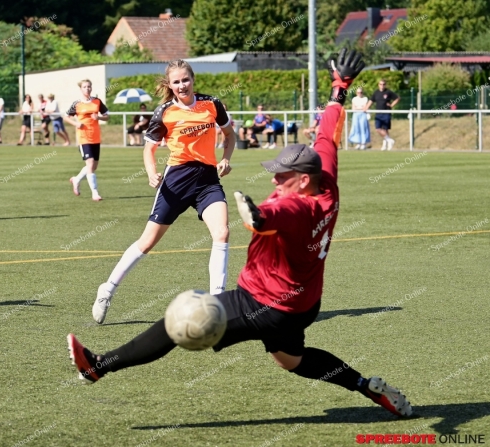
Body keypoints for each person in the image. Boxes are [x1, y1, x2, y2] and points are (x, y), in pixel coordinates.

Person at [68, 49, 413, 420]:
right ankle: (368, 387)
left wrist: (257, 218)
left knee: (178, 323)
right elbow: (328, 132)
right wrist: (339, 88)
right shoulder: (326, 183)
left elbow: (274, 215)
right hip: (304, 304)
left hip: (263, 304)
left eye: (281, 175)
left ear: (302, 179)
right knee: (291, 360)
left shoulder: (296, 207)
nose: (274, 178)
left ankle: (98, 366)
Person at [92, 60, 236, 324]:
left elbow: (229, 135)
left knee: (222, 232)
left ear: (193, 79)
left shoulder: (212, 104)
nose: (182, 85)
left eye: (186, 79)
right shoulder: (164, 112)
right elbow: (149, 149)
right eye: (177, 81)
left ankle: (218, 304)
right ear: (170, 85)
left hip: (207, 179)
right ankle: (107, 289)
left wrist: (226, 158)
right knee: (147, 242)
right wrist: (150, 173)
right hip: (176, 179)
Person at [65, 79, 109, 202]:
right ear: (81, 89)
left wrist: (98, 116)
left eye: (89, 86)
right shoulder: (77, 104)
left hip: (95, 137)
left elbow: (107, 116)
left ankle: (76, 179)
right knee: (89, 164)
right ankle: (95, 193)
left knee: (93, 166)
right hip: (83, 138)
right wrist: (75, 124)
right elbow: (66, 117)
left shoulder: (97, 101)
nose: (87, 89)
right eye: (84, 87)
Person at [364, 79, 399, 151]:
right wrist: (366, 107)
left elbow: (397, 98)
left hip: (386, 113)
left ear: (385, 85)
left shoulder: (388, 92)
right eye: (380, 84)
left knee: (385, 129)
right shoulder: (376, 93)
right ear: (378, 85)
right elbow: (371, 100)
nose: (382, 86)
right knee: (378, 129)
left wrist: (391, 105)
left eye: (383, 84)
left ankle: (386, 145)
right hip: (378, 113)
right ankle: (389, 140)